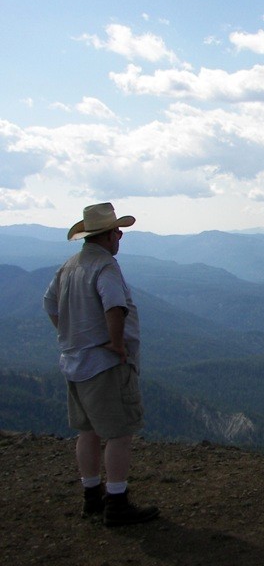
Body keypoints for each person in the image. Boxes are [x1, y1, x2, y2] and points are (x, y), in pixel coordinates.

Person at [43, 202, 159, 526]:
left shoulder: (70, 266)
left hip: (74, 361)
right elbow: (114, 305)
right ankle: (118, 503)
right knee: (119, 433)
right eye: (118, 231)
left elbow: (49, 303)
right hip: (103, 365)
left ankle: (92, 496)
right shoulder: (105, 267)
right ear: (107, 236)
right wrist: (117, 344)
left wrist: (69, 333)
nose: (120, 236)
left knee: (88, 431)